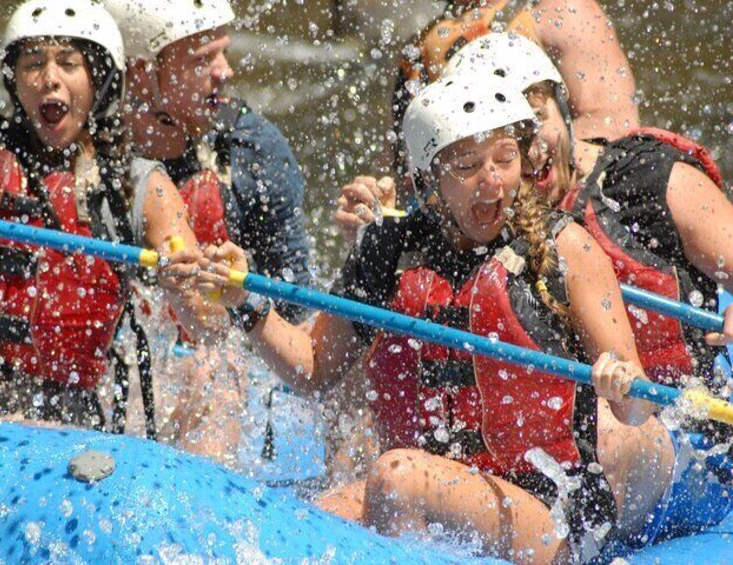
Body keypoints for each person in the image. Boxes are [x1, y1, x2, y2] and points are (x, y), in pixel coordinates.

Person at [191, 78, 664, 563]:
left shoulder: (569, 249)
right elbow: (314, 369)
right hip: (429, 487)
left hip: (551, 512)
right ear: (427, 179)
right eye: (467, 166)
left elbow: (636, 405)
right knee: (301, 527)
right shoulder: (386, 250)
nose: (492, 180)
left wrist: (622, 388)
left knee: (398, 478)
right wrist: (244, 301)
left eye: (504, 158)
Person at [445, 32, 733, 548]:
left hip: (695, 440)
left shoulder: (643, 179)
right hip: (566, 447)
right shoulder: (493, 215)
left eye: (537, 122)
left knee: (604, 427)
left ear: (562, 106)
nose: (531, 150)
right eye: (511, 139)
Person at [0, 0, 202, 429]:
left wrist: (184, 282)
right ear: (15, 81)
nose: (49, 78)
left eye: (68, 64)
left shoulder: (139, 186)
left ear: (100, 81)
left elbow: (207, 320)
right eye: (33, 63)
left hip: (62, 406)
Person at [100, 0, 318, 467]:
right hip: (119, 364)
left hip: (226, 361)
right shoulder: (91, 149)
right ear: (141, 73)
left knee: (211, 367)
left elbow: (298, 306)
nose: (226, 71)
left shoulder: (254, 151)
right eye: (202, 59)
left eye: (223, 52)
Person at [337, 0, 640, 241]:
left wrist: (518, 173)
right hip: (479, 221)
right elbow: (405, 175)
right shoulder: (420, 53)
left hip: (568, 216)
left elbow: (613, 130)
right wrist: (380, 217)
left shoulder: (561, 12)